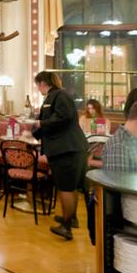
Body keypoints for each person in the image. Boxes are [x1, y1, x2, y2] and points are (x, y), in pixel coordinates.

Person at [31, 71, 88, 241]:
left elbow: (63, 117)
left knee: (66, 187)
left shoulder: (59, 95)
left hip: (66, 149)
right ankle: (71, 218)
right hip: (69, 148)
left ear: (42, 83)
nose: (38, 88)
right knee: (70, 186)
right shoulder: (53, 97)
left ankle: (66, 226)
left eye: (37, 85)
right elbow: (52, 122)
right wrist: (35, 133)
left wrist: (40, 123)